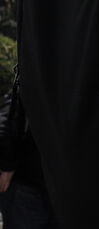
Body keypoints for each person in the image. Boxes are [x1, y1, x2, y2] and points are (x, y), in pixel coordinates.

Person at [0, 85, 58, 228]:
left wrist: (7, 166)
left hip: (27, 186)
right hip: (62, 189)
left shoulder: (30, 81)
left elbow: (3, 125)